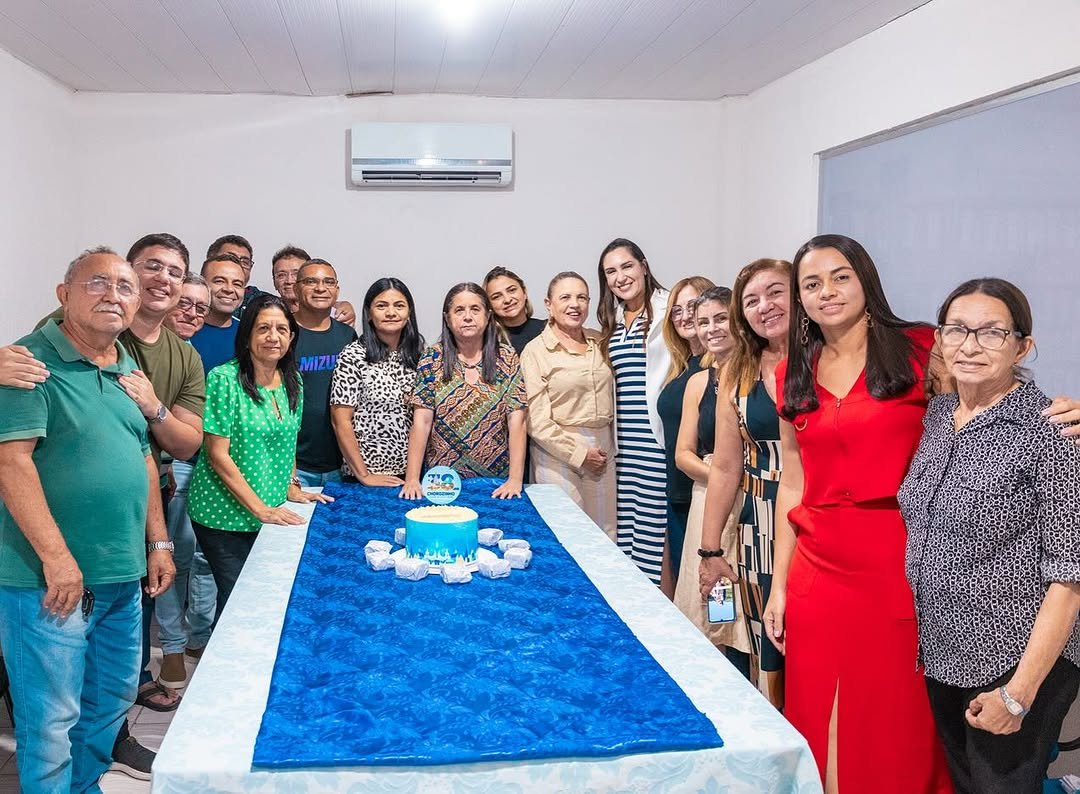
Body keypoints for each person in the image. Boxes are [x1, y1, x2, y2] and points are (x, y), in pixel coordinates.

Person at [768, 235, 953, 792]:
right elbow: (792, 486)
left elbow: (987, 409)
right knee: (817, 707)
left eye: (840, 276)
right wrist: (779, 587)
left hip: (899, 560)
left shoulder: (924, 348)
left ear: (865, 279)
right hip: (817, 569)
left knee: (894, 716)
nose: (828, 291)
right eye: (812, 283)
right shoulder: (789, 372)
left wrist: (1056, 410)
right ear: (800, 299)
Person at [0, 247, 175, 793]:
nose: (114, 296)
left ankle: (85, 786)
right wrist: (57, 558)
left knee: (108, 702)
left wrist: (159, 543)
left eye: (125, 287)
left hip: (121, 575)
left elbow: (143, 459)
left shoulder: (125, 365)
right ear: (64, 295)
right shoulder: (29, 364)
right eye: (98, 283)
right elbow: (11, 462)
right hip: (49, 580)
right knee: (50, 721)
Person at [898, 278, 1080, 793]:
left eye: (992, 333)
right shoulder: (938, 415)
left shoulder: (1053, 432)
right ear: (939, 339)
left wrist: (1019, 693)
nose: (971, 345)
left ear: (1023, 346)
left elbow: (1070, 580)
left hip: (1013, 659)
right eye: (957, 329)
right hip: (942, 650)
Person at [187, 293, 331, 617]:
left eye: (282, 329)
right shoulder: (224, 379)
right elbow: (217, 455)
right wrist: (260, 509)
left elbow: (288, 439)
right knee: (238, 600)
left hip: (271, 507)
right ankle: (223, 665)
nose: (273, 337)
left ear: (292, 337)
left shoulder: (293, 380)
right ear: (248, 334)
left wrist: (292, 486)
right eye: (263, 328)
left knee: (263, 597)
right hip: (223, 514)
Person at [698, 259, 792, 708]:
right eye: (751, 300)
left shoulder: (831, 360)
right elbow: (724, 467)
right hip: (760, 523)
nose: (764, 306)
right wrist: (710, 550)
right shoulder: (738, 371)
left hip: (823, 519)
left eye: (776, 293)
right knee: (768, 648)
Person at [671, 286, 748, 655]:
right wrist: (722, 475)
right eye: (703, 322)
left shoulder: (759, 374)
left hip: (753, 504)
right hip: (710, 503)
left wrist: (742, 478)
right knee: (718, 607)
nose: (711, 329)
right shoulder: (699, 383)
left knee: (747, 601)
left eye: (720, 319)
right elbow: (683, 454)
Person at [400, 283, 527, 500]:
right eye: (459, 310)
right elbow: (421, 422)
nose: (467, 316)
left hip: (497, 485)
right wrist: (412, 478)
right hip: (441, 484)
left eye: (475, 309)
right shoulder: (432, 358)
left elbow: (518, 421)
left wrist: (515, 479)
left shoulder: (506, 357)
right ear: (447, 319)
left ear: (488, 316)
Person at [156, 272, 218, 692]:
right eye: (185, 303)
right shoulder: (136, 344)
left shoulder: (188, 354)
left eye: (201, 306)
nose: (192, 312)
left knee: (199, 559)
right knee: (169, 561)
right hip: (169, 467)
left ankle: (195, 641)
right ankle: (173, 649)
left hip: (203, 464)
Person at [519, 272, 615, 538]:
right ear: (549, 304)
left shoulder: (601, 342)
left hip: (603, 451)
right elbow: (536, 420)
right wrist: (580, 455)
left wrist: (596, 453)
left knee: (605, 537)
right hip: (556, 453)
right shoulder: (535, 351)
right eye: (565, 297)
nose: (575, 304)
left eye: (582, 297)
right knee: (568, 536)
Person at [596, 238, 670, 585]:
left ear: (643, 265)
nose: (620, 277)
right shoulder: (611, 320)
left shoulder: (667, 309)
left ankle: (658, 614)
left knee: (654, 535)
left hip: (656, 443)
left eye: (626, 266)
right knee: (623, 532)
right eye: (611, 271)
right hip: (623, 447)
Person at [330, 278, 424, 486]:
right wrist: (364, 476)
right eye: (382, 306)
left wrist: (413, 476)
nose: (391, 312)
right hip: (365, 477)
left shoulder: (420, 355)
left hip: (412, 476)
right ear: (369, 313)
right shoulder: (353, 355)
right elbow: (340, 421)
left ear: (409, 313)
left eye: (399, 305)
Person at [656, 275, 714, 595]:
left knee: (711, 594)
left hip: (707, 494)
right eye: (676, 310)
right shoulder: (681, 367)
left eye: (692, 306)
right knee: (686, 592)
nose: (684, 315)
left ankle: (723, 649)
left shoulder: (721, 365)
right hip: (678, 494)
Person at [292, 259, 357, 487]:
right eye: (311, 282)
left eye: (328, 282)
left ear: (336, 290)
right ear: (296, 288)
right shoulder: (283, 334)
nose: (321, 288)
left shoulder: (348, 336)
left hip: (343, 464)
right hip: (295, 465)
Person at [191, 252, 247, 375]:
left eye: (237, 284)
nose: (229, 289)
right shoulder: (184, 329)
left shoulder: (249, 334)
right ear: (203, 285)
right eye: (219, 281)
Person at [484, 266, 546, 355]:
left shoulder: (548, 329)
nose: (507, 300)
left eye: (512, 290)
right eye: (497, 297)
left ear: (524, 292)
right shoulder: (486, 341)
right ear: (489, 305)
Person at [270, 245, 310, 314]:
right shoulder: (266, 316)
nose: (289, 281)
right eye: (281, 275)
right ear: (274, 282)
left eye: (296, 274)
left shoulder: (330, 316)